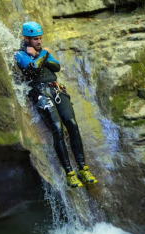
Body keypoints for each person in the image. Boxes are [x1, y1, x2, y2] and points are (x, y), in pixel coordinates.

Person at [14, 21, 97, 188]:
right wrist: (43, 53)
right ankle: (69, 173)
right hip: (40, 93)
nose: (39, 41)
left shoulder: (39, 51)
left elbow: (56, 67)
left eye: (40, 38)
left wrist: (40, 55)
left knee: (72, 124)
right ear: (26, 39)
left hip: (56, 90)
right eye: (35, 39)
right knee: (57, 128)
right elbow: (34, 69)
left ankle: (82, 168)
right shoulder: (19, 55)